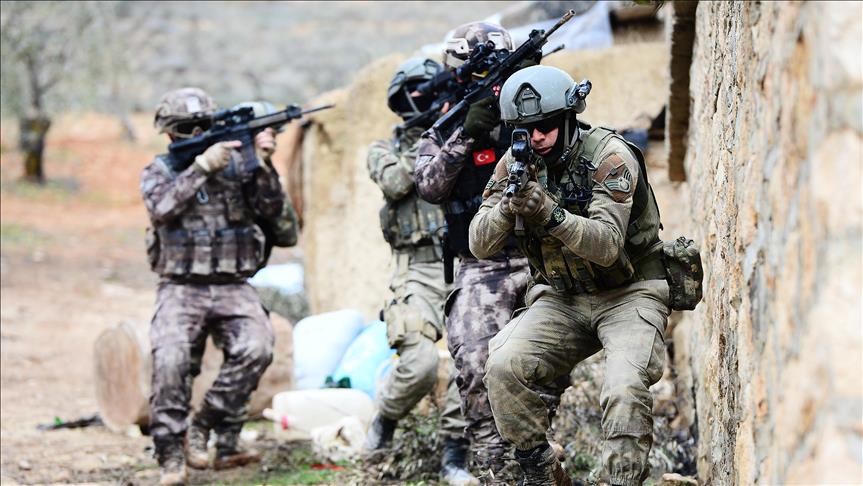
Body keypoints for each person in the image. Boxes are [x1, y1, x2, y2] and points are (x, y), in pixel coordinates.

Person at [470, 65, 684, 486]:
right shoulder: (514, 165)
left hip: (630, 291)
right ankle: (542, 473)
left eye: (546, 126)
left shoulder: (610, 157)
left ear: (569, 118)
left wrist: (549, 213)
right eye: (525, 130)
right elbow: (479, 243)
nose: (536, 138)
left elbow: (607, 246)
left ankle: (622, 480)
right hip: (562, 298)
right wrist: (508, 208)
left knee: (623, 388)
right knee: (503, 364)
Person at [415, 21, 566, 484]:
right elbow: (428, 185)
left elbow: (569, 154)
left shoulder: (529, 108)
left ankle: (536, 460)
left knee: (543, 369)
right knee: (475, 364)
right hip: (482, 266)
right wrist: (467, 134)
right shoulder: (447, 121)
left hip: (541, 258)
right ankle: (494, 468)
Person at [141, 87, 286, 485]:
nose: (196, 134)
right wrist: (201, 167)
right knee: (170, 360)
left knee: (257, 348)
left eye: (202, 126)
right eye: (186, 129)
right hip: (180, 286)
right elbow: (161, 208)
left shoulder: (238, 164)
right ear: (169, 134)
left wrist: (262, 163)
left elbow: (273, 211)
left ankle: (203, 425)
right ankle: (170, 453)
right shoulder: (160, 171)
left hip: (232, 283)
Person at [364, 57, 477, 486]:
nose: (429, 99)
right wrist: (435, 138)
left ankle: (454, 452)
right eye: (419, 92)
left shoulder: (461, 137)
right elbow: (396, 183)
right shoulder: (384, 149)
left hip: (465, 262)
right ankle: (386, 418)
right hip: (415, 270)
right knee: (421, 361)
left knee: (472, 362)